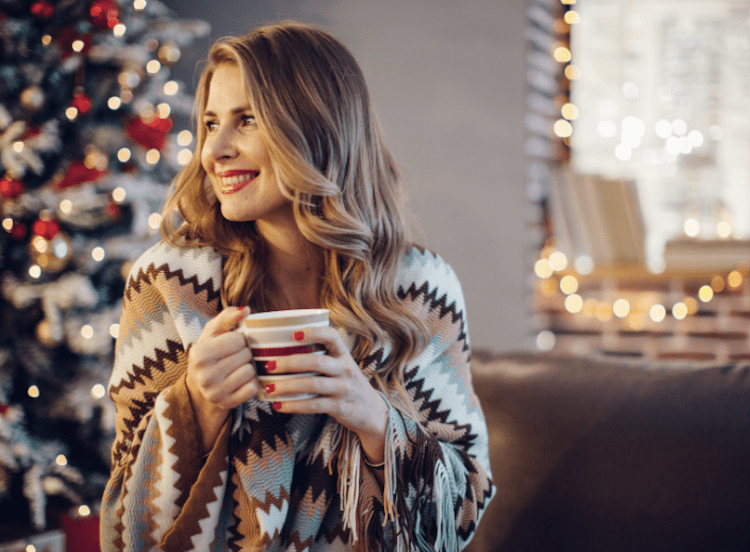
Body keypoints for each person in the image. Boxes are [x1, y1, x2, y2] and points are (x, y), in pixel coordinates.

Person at [101, 21, 494, 552]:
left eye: (247, 121)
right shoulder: (171, 285)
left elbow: (467, 503)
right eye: (211, 123)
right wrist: (197, 405)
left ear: (316, 128)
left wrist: (372, 418)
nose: (213, 150)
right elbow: (123, 530)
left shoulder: (421, 290)